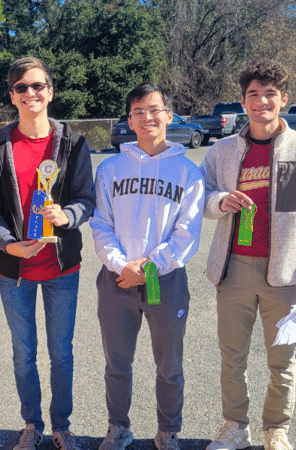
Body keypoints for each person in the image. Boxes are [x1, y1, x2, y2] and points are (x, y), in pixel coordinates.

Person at [200, 60, 296, 450]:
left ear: (284, 99)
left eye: (270, 94)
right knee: (232, 357)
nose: (261, 101)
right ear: (243, 100)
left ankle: (276, 429)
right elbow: (200, 195)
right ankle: (235, 427)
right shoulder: (223, 151)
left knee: (282, 361)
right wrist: (219, 201)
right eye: (253, 94)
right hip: (234, 270)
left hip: (286, 273)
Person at [0, 57, 95, 450]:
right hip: (15, 270)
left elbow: (86, 199)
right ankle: (31, 424)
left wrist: (67, 215)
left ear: (50, 91)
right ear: (12, 96)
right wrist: (7, 243)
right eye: (21, 87)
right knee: (24, 354)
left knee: (61, 354)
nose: (30, 93)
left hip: (62, 267)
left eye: (37, 85)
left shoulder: (73, 142)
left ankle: (62, 425)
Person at [90, 82, 204, 450]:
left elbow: (188, 232)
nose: (147, 117)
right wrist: (120, 264)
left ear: (169, 116)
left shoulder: (188, 172)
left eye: (154, 110)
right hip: (117, 280)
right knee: (116, 364)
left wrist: (150, 267)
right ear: (129, 120)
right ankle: (118, 428)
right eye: (138, 112)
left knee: (169, 366)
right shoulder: (110, 168)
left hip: (165, 281)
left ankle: (168, 431)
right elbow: (101, 224)